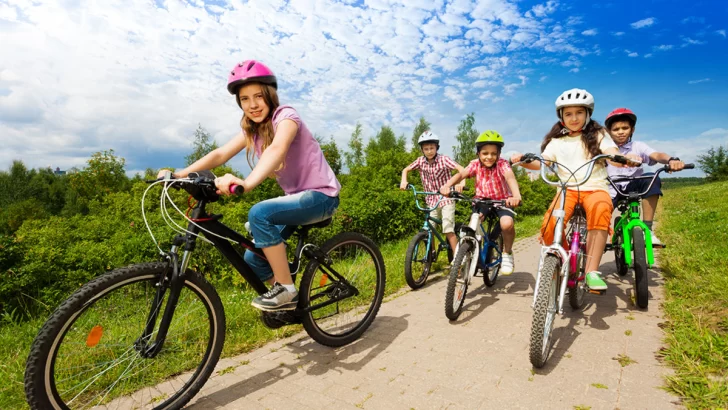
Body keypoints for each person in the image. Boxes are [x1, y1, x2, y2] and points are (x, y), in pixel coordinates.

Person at [158, 60, 341, 311]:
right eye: (244, 99)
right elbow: (220, 154)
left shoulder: (286, 116)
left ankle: (286, 290)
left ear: (270, 95)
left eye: (258, 96)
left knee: (259, 213)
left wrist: (246, 183)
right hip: (295, 198)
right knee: (253, 259)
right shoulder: (252, 131)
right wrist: (180, 175)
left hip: (322, 196)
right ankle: (289, 301)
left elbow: (277, 149)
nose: (252, 105)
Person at [511, 88, 638, 291]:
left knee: (601, 210)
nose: (574, 118)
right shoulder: (555, 142)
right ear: (561, 116)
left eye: (579, 112)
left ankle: (591, 271)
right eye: (568, 114)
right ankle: (567, 257)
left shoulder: (598, 135)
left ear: (587, 114)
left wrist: (619, 157)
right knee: (549, 225)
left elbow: (610, 150)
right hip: (567, 189)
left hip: (595, 187)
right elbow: (544, 163)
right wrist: (524, 161)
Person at [439, 130, 522, 275]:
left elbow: (510, 178)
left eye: (493, 153)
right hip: (482, 201)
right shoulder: (474, 164)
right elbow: (461, 174)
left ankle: (507, 253)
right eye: (485, 153)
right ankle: (469, 252)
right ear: (478, 153)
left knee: (507, 224)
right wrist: (447, 185)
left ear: (499, 154)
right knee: (473, 223)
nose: (489, 157)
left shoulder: (503, 165)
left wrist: (516, 195)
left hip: (503, 201)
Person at [604, 108, 685, 245]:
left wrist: (671, 160)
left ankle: (647, 229)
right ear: (609, 132)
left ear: (632, 130)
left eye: (625, 128)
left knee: (651, 178)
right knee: (597, 211)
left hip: (634, 186)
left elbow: (657, 155)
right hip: (610, 189)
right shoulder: (605, 148)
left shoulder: (638, 146)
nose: (621, 132)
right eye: (616, 129)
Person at [400, 131, 466, 254]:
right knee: (429, 228)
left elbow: (461, 169)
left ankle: (458, 259)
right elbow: (406, 169)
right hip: (430, 199)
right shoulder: (420, 161)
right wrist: (404, 181)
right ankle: (431, 254)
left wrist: (461, 183)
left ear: (437, 147)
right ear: (422, 150)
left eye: (432, 148)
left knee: (447, 229)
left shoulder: (444, 159)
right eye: (426, 149)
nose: (429, 151)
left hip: (446, 198)